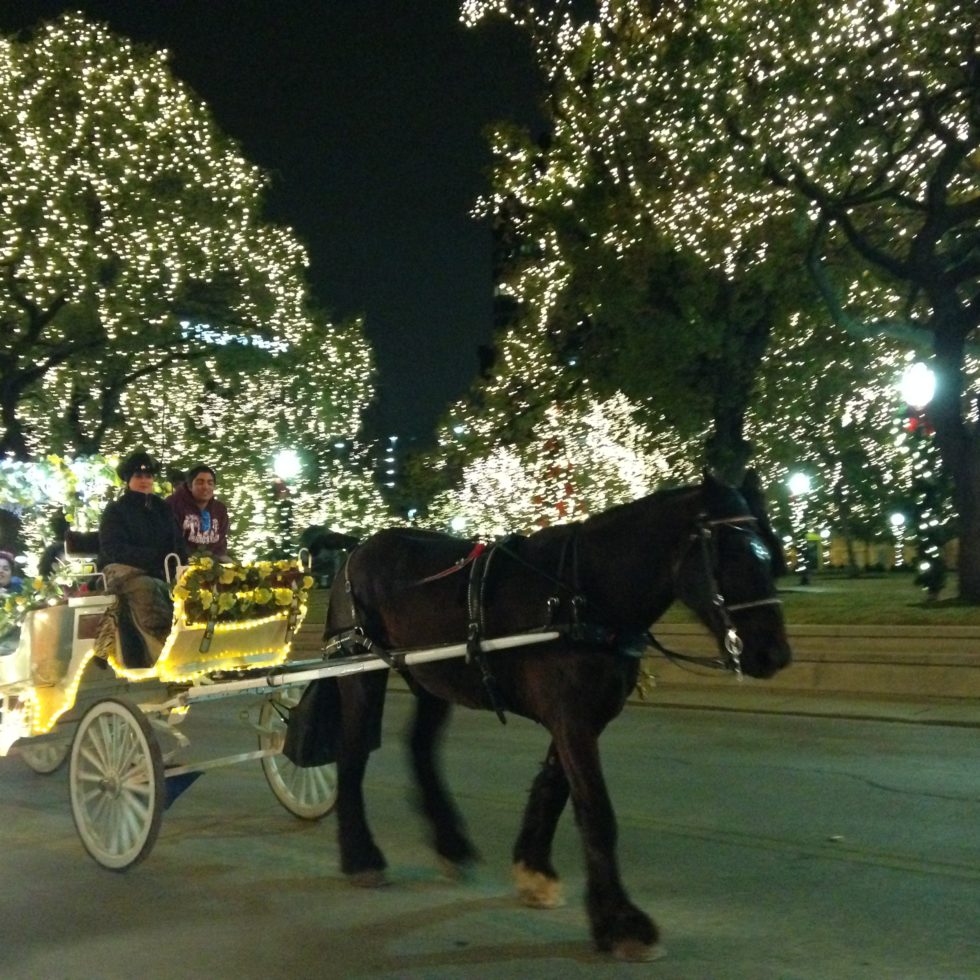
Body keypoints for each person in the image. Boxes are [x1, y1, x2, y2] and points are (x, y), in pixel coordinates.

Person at [99, 450, 187, 665]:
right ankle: (161, 655)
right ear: (128, 480)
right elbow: (114, 548)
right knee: (148, 589)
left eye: (148, 476)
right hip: (128, 571)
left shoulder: (162, 509)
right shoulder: (116, 511)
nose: (145, 481)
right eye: (139, 476)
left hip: (163, 569)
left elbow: (176, 542)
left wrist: (183, 567)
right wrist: (152, 559)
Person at [166, 464, 231, 561]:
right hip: (180, 563)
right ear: (190, 486)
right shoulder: (173, 505)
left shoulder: (220, 509)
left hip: (213, 563)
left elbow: (221, 544)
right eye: (200, 482)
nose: (205, 487)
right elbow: (171, 542)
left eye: (210, 483)